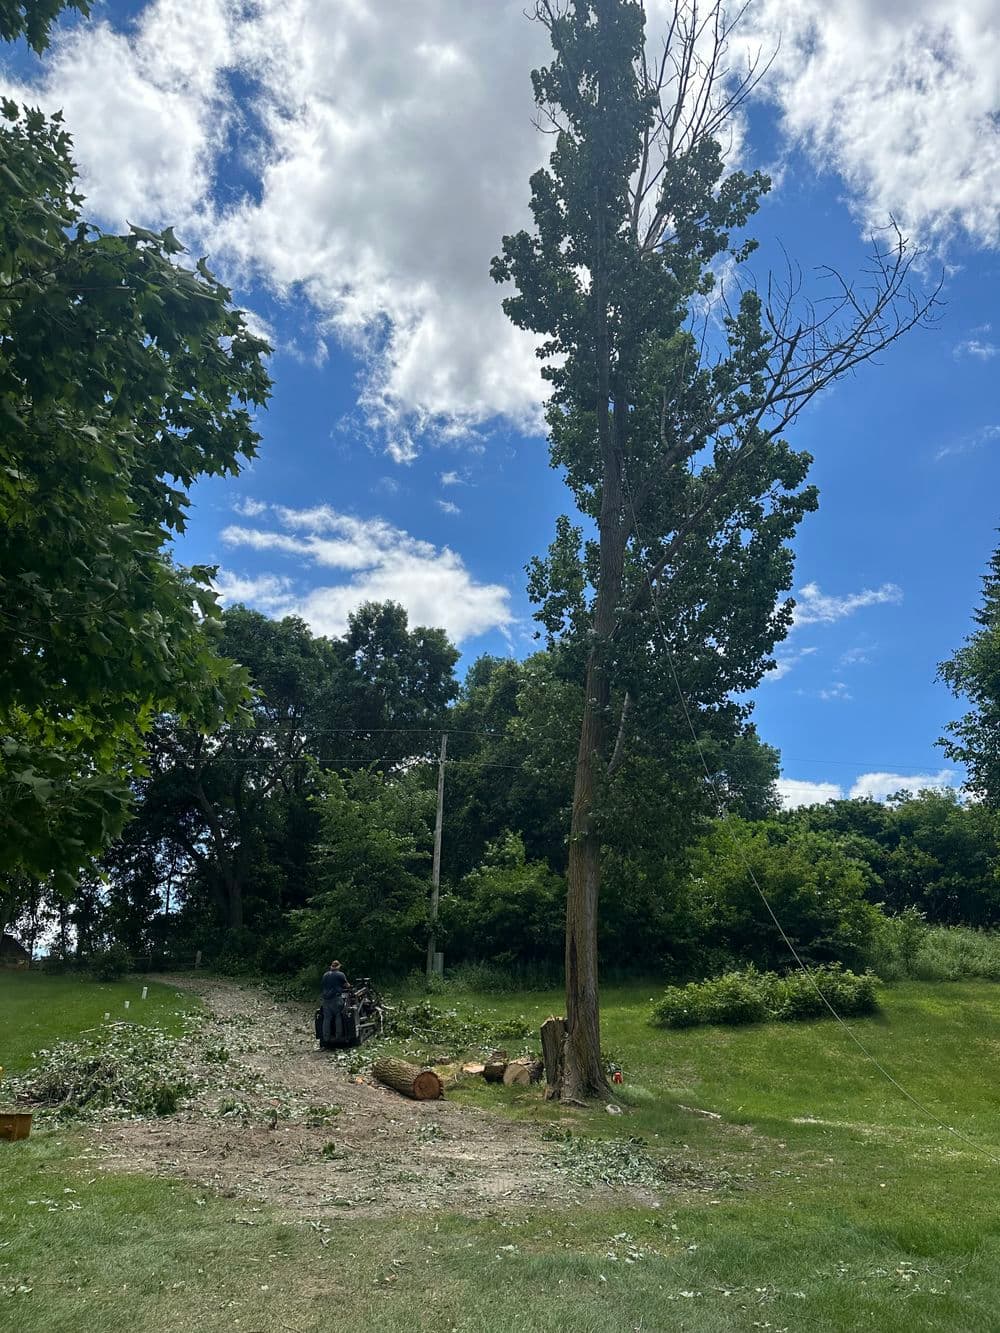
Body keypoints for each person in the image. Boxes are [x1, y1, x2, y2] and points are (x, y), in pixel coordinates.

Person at [321, 959, 349, 1044]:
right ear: (338, 966)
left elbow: (323, 985)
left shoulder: (325, 975)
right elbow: (346, 985)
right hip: (336, 999)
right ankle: (338, 1037)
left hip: (326, 999)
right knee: (338, 1016)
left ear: (331, 966)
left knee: (326, 1018)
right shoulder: (340, 974)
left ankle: (326, 1038)